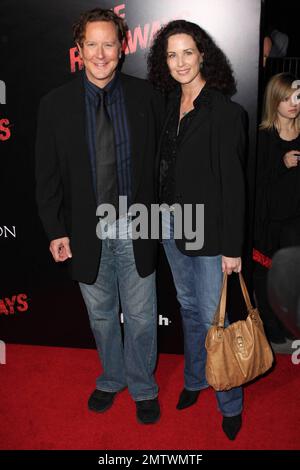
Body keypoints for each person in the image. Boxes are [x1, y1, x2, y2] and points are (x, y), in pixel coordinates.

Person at [35, 8, 164, 424]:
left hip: (137, 224)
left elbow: (165, 164)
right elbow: (47, 175)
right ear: (79, 49)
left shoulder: (147, 97)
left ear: (122, 48)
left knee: (143, 315)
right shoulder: (55, 104)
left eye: (109, 43)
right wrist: (55, 229)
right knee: (102, 314)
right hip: (85, 230)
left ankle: (143, 386)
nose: (101, 53)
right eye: (92, 44)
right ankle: (111, 378)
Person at [148, 20, 246, 440]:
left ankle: (230, 401)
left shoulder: (224, 112)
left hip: (209, 230)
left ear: (203, 54)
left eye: (187, 52)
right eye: (172, 54)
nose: (180, 62)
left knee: (214, 317)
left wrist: (232, 247)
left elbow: (233, 185)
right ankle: (195, 379)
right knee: (188, 307)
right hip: (171, 222)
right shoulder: (170, 102)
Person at [254, 72, 300, 349]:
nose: (292, 103)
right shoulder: (263, 137)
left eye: (296, 97)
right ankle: (270, 326)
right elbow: (256, 183)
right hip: (269, 220)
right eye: (285, 98)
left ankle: (289, 325)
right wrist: (281, 164)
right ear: (275, 101)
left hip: (295, 220)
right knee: (265, 276)